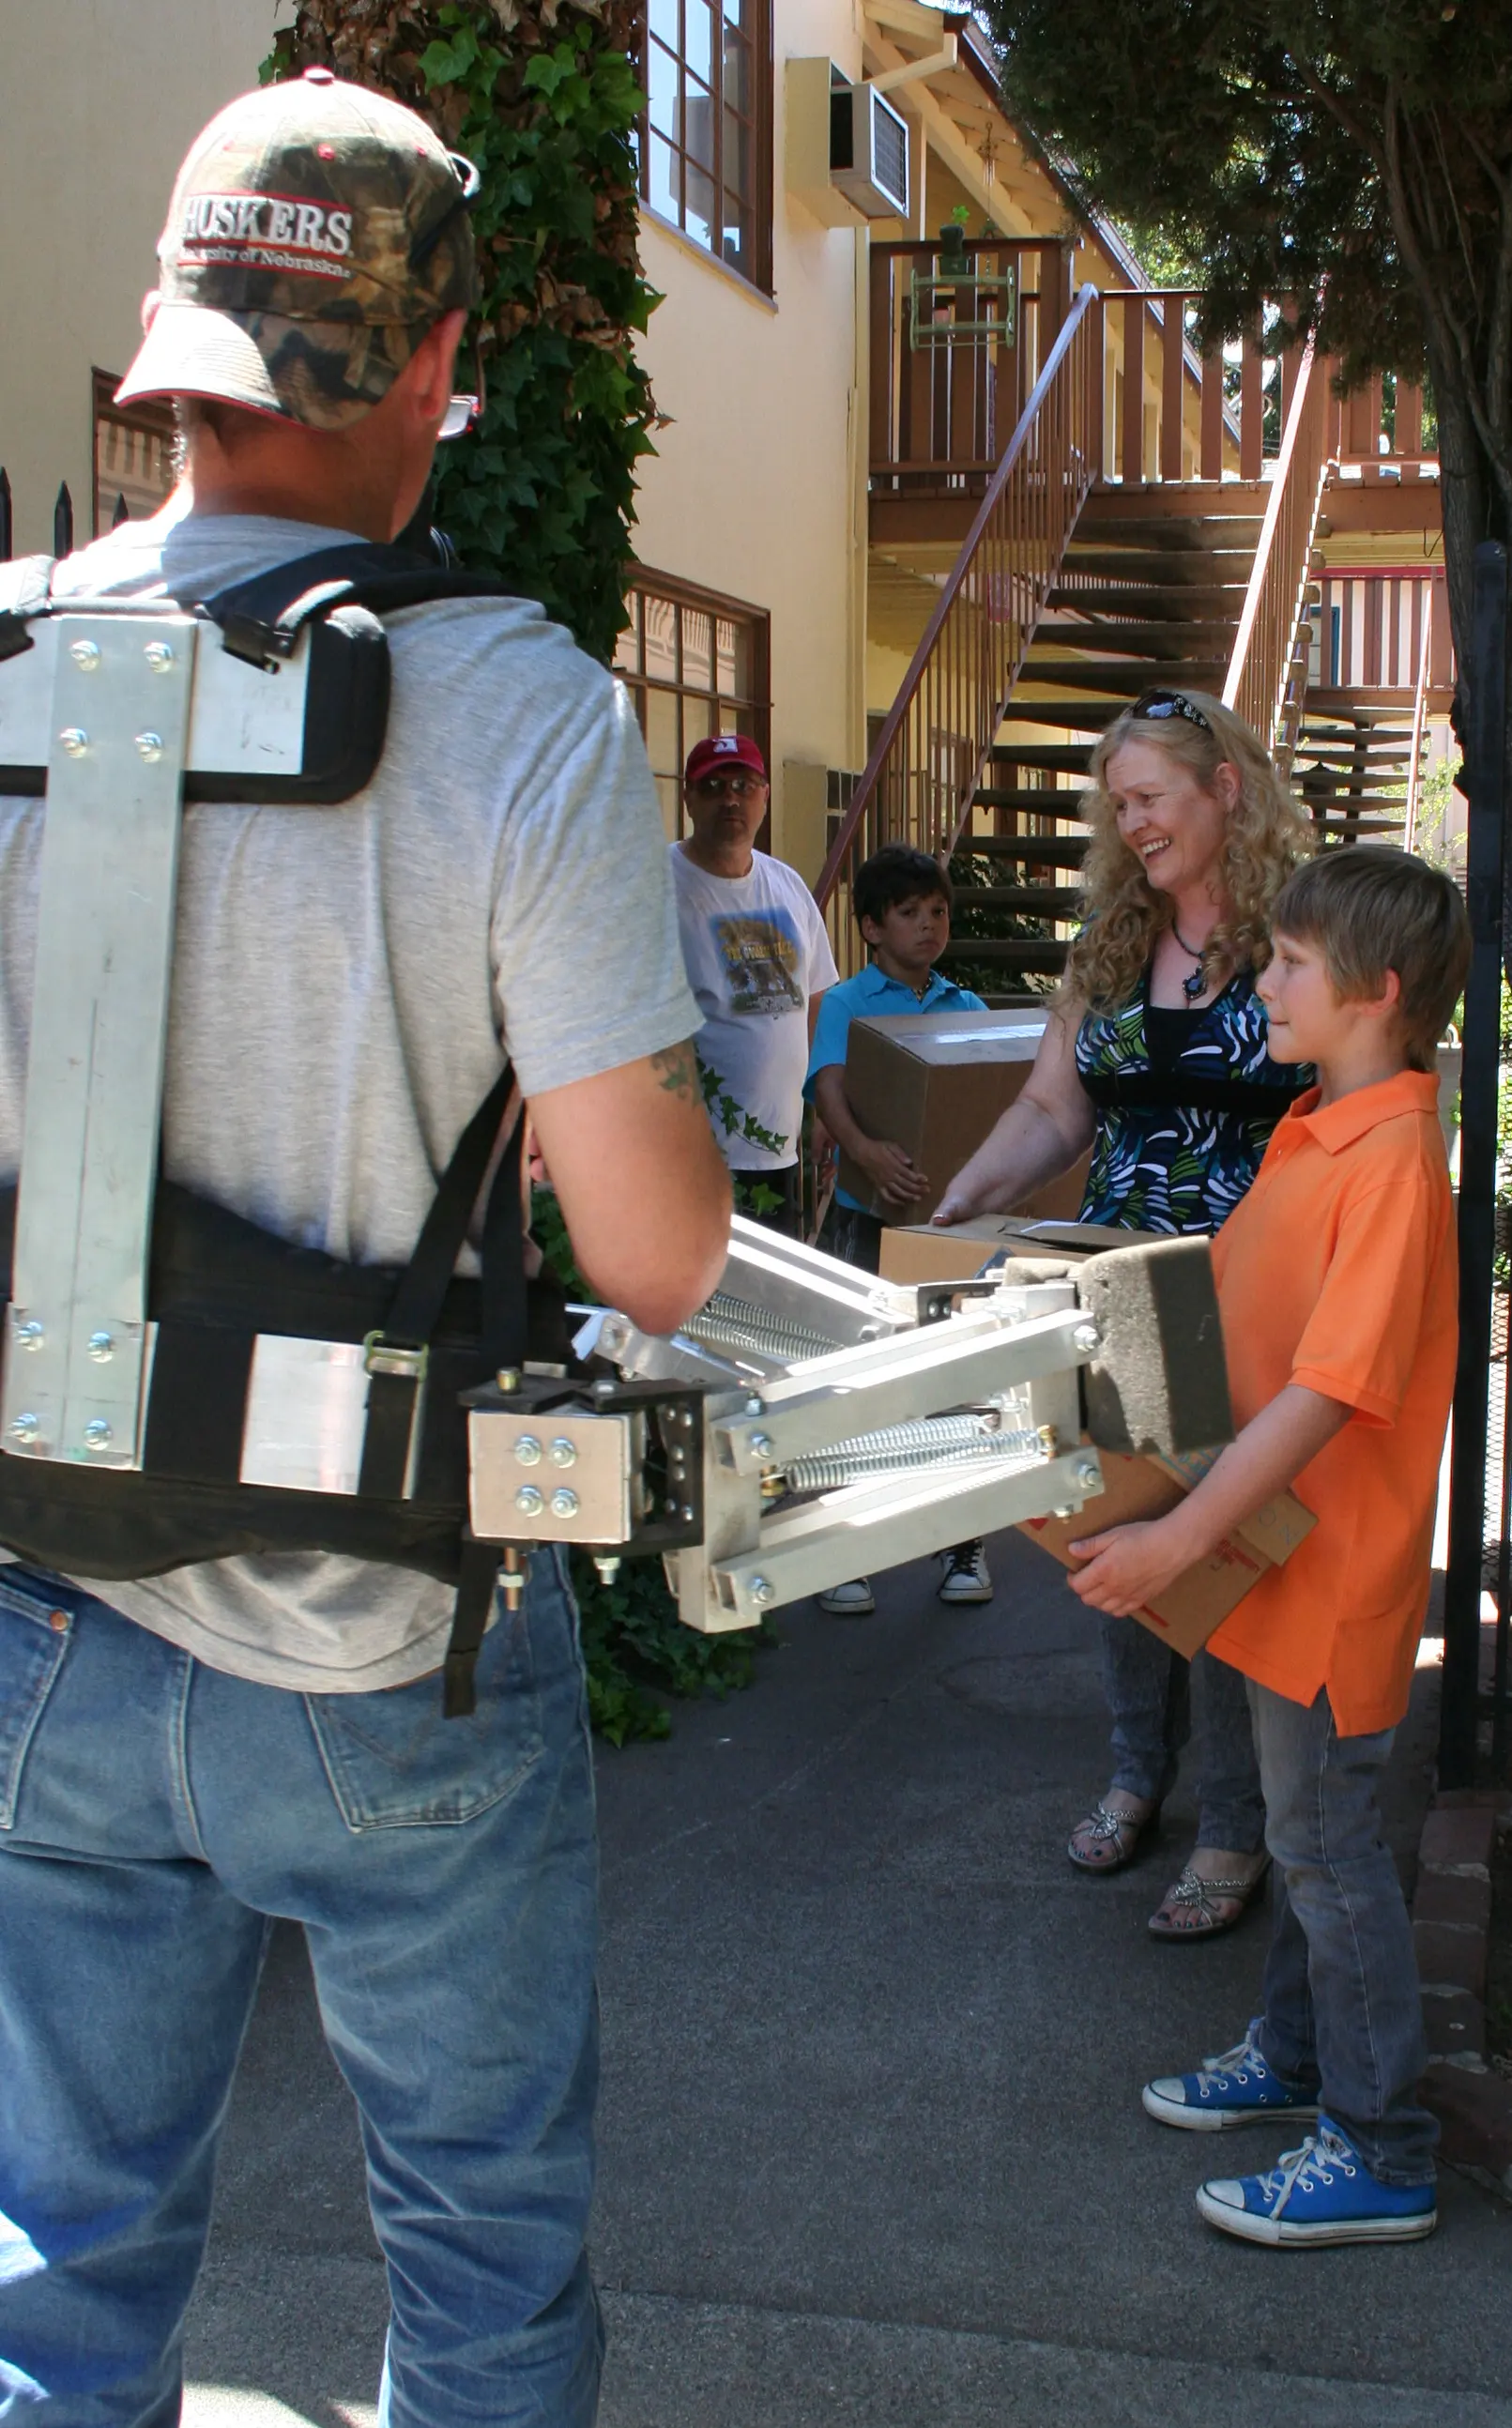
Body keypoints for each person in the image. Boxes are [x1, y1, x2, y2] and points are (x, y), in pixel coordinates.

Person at [0, 71, 729, 2427]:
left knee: (57, 2275)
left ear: (170, 356)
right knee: (484, 2272)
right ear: (423, 375)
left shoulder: (10, 672)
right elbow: (659, 1255)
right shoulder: (519, 711)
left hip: (46, 1600)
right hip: (391, 1638)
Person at [1068, 847, 1469, 2247]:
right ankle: (1295, 2056)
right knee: (1308, 1844)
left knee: (1327, 1851)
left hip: (1330, 1570)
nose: (1263, 982)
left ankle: (1377, 2142)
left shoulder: (1392, 1158)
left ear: (1377, 989)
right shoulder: (1318, 1124)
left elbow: (1321, 1393)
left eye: (1290, 964)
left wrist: (1176, 1532)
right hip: (1274, 1560)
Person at [934, 690, 1312, 1937]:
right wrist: (962, 1203)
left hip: (1252, 1291)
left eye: (1148, 795)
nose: (1128, 819)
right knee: (1112, 1527)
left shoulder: (1301, 937)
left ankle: (1229, 1825)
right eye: (1117, 802)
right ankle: (1132, 1770)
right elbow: (1052, 1108)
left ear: (1226, 791)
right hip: (1112, 1281)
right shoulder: (1106, 937)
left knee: (1220, 1550)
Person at [805, 842, 993, 1612]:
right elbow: (828, 1088)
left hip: (945, 1227)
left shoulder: (968, 1006)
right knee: (858, 1375)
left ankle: (962, 1548)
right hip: (864, 1218)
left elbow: (991, 1097)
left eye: (938, 911)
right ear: (871, 927)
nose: (928, 926)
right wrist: (865, 1153)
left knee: (954, 1374)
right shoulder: (849, 1002)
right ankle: (847, 1547)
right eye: (910, 913)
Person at [669, 732, 837, 1235]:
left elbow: (815, 1000)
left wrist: (820, 1108)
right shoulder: (654, 888)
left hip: (777, 1154)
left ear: (765, 795)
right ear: (689, 798)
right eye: (714, 786)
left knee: (765, 1308)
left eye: (744, 784)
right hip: (687, 1157)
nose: (730, 799)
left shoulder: (786, 886)